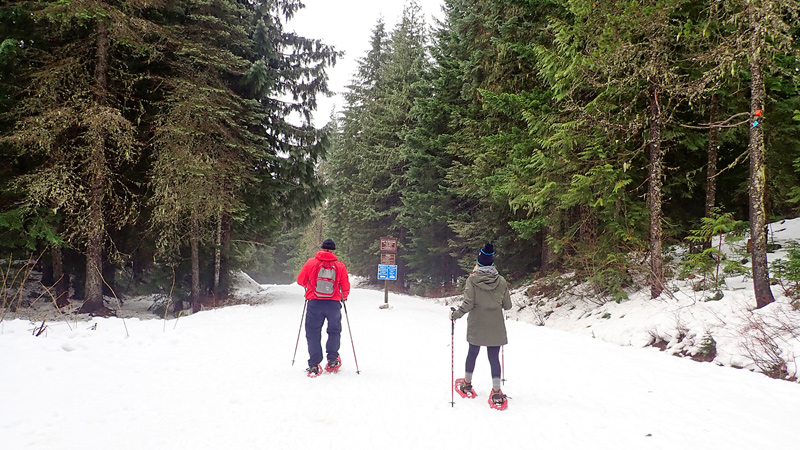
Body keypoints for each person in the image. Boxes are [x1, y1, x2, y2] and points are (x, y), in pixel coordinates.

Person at [450, 243, 512, 409]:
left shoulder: (472, 280)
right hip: (496, 326)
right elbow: (508, 306)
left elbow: (468, 304)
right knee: (494, 358)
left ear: (479, 262)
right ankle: (497, 391)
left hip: (477, 324)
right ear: (492, 264)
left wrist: (455, 315)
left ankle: (467, 384)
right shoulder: (501, 281)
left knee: (473, 353)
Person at [297, 238, 351, 377]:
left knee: (313, 333)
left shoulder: (311, 263)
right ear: (333, 250)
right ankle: (332, 360)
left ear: (321, 248)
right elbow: (345, 286)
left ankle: (314, 365)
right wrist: (343, 297)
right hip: (333, 304)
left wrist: (309, 287)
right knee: (334, 331)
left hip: (314, 302)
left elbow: (301, 280)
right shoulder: (340, 266)